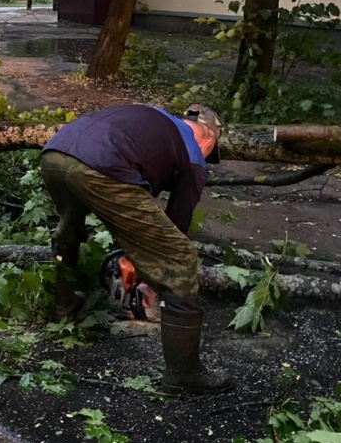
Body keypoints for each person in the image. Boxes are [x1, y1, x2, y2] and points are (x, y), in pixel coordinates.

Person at [40, 103, 233, 395]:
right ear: (208, 136)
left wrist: (133, 253)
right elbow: (176, 225)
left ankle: (62, 308)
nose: (207, 157)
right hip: (101, 166)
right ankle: (184, 375)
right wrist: (149, 268)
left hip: (56, 153)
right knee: (179, 258)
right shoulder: (195, 155)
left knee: (69, 232)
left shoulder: (153, 116)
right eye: (210, 150)